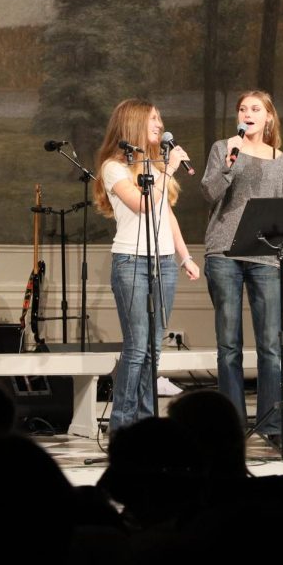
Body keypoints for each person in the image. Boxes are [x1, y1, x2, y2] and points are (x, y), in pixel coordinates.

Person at [94, 98, 200, 433]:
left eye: (159, 118)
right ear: (134, 123)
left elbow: (166, 216)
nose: (159, 124)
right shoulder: (115, 167)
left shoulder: (154, 166)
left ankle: (145, 422)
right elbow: (141, 205)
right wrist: (167, 169)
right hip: (131, 262)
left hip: (164, 262)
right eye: (153, 119)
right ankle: (122, 425)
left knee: (154, 348)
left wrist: (185, 257)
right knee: (137, 347)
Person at [201, 90, 283, 443]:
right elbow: (208, 194)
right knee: (229, 344)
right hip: (224, 251)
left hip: (266, 255)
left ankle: (271, 424)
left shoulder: (278, 158)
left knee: (271, 345)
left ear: (269, 117)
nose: (248, 113)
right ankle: (232, 426)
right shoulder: (223, 147)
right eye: (243, 108)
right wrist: (228, 164)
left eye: (256, 109)